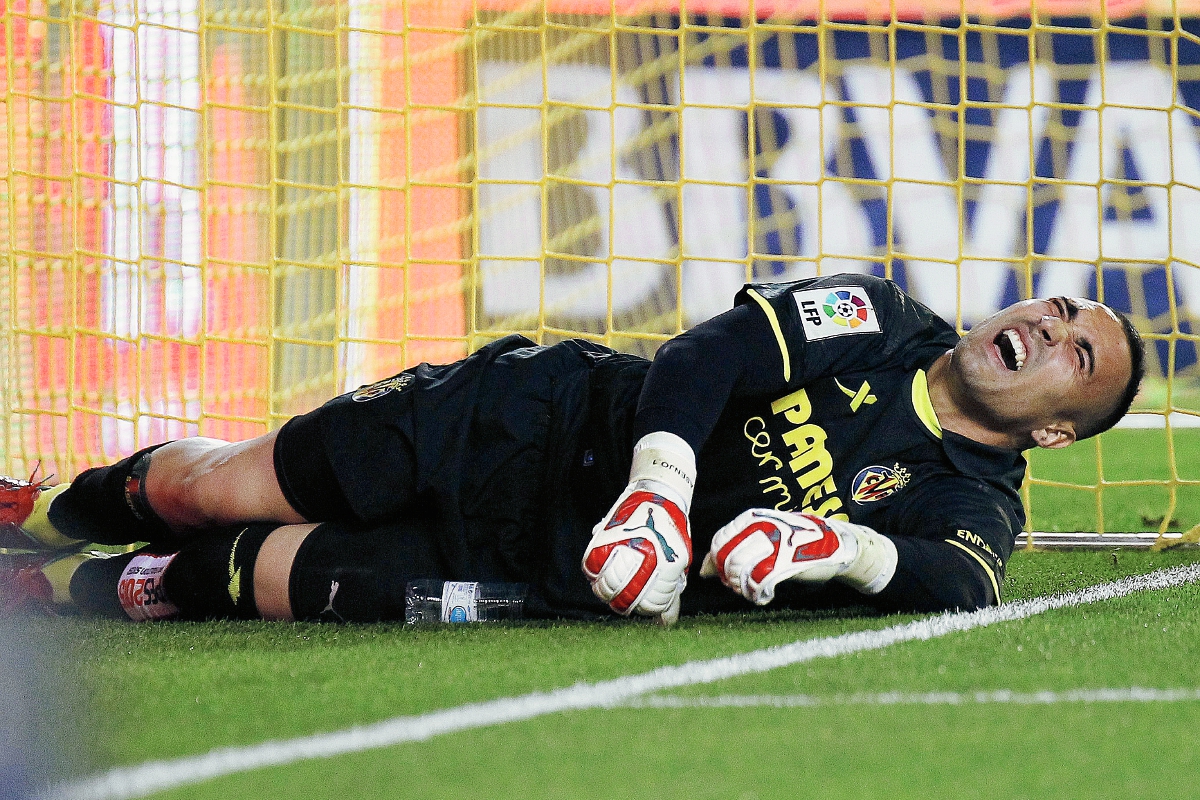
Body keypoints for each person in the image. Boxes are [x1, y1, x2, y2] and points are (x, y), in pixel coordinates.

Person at [0, 273, 1144, 625]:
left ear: (1053, 427)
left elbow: (956, 580)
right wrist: (662, 487)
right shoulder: (885, 320)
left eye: (1076, 353)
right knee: (212, 487)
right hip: (533, 422)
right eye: (1057, 308)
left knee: (257, 578)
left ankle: (59, 594)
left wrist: (839, 546)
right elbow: (709, 355)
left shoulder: (979, 493)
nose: (1048, 326)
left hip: (551, 566)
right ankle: (39, 516)